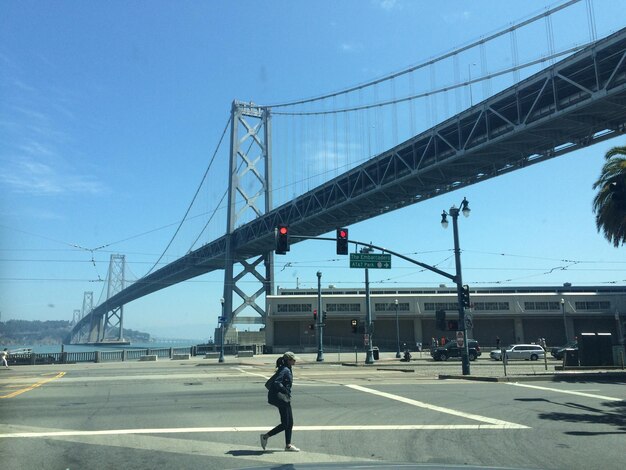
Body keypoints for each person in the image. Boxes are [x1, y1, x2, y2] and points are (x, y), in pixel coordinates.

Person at [260, 351, 300, 452]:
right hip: (282, 398)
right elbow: (277, 382)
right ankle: (265, 436)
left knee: (289, 423)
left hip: (285, 399)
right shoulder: (285, 369)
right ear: (288, 360)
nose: (295, 360)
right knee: (285, 423)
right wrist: (285, 391)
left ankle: (288, 445)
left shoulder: (287, 368)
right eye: (293, 359)